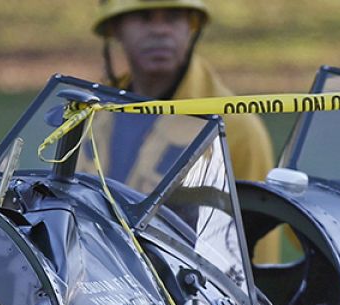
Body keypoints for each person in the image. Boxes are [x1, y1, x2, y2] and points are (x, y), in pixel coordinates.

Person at [93, 0, 279, 262]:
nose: (160, 31)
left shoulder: (237, 128)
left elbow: (257, 259)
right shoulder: (95, 115)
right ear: (116, 28)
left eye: (172, 17)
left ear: (191, 27)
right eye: (144, 17)